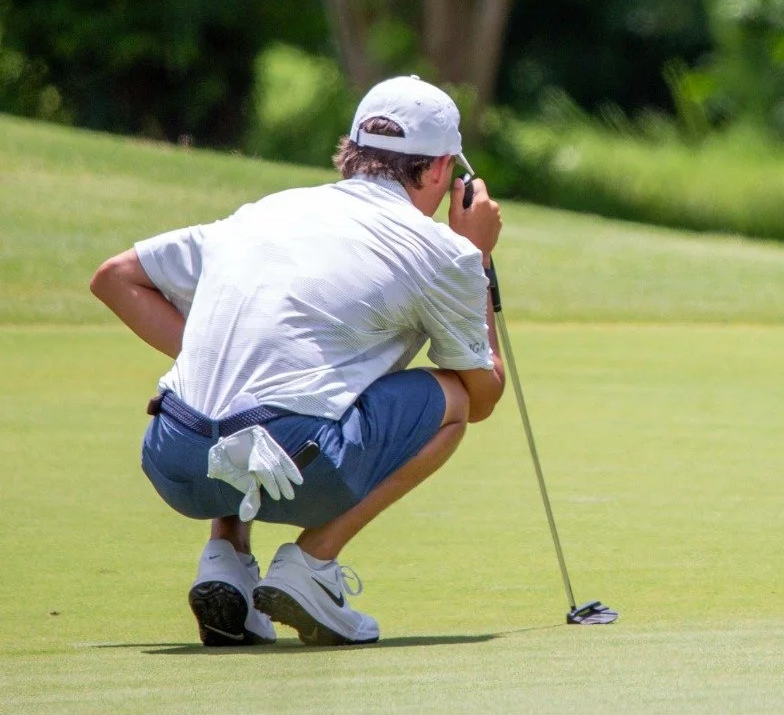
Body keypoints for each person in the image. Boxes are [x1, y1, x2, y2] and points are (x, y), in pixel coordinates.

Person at [90, 75, 505, 646]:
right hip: (302, 469)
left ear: (353, 153)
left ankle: (225, 562)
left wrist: (214, 352)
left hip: (176, 460)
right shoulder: (441, 251)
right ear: (439, 171)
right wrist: (476, 255)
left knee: (250, 375)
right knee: (451, 402)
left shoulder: (267, 211)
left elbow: (115, 278)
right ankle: (311, 565)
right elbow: (483, 396)